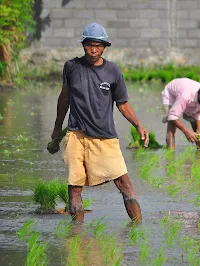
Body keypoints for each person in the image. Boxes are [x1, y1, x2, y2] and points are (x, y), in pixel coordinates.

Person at [47, 22, 149, 223]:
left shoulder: (112, 71)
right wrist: (57, 129)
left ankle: (138, 230)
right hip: (76, 135)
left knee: (124, 184)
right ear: (83, 45)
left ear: (104, 47)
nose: (94, 50)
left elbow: (123, 103)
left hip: (105, 137)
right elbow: (64, 99)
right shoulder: (71, 67)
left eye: (98, 45)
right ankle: (77, 236)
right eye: (89, 44)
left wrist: (138, 125)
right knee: (75, 188)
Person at [161, 78, 200, 150]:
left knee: (198, 131)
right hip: (172, 95)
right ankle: (170, 156)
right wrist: (186, 131)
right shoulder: (186, 95)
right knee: (172, 126)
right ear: (199, 93)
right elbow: (172, 116)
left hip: (190, 102)